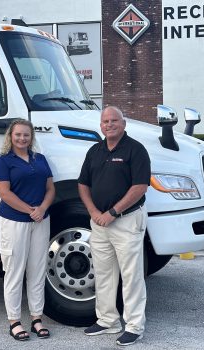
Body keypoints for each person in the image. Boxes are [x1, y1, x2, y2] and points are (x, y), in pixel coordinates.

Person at [78, 106, 151, 346]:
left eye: (114, 120)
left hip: (127, 220)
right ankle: (107, 320)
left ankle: (134, 326)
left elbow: (139, 187)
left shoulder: (136, 150)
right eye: (105, 121)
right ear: (101, 126)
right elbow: (83, 184)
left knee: (131, 275)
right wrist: (94, 212)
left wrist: (112, 212)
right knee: (103, 273)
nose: (109, 124)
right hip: (99, 222)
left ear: (124, 123)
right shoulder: (95, 151)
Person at [0, 119, 55, 341]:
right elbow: (5, 194)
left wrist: (43, 208)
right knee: (15, 271)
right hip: (14, 221)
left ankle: (37, 318)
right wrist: (31, 211)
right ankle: (15, 321)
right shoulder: (3, 161)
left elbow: (50, 188)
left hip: (40, 220)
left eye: (26, 135)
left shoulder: (40, 160)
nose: (22, 139)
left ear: (31, 137)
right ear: (11, 136)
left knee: (37, 271)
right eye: (18, 135)